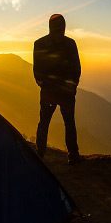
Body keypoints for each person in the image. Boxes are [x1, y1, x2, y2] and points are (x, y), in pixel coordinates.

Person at [33, 13, 81, 164]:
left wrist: (44, 85)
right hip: (64, 92)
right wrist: (72, 87)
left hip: (50, 91)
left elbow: (37, 71)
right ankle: (73, 156)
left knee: (45, 122)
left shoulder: (40, 43)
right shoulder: (70, 44)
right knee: (68, 123)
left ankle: (40, 155)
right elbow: (76, 69)